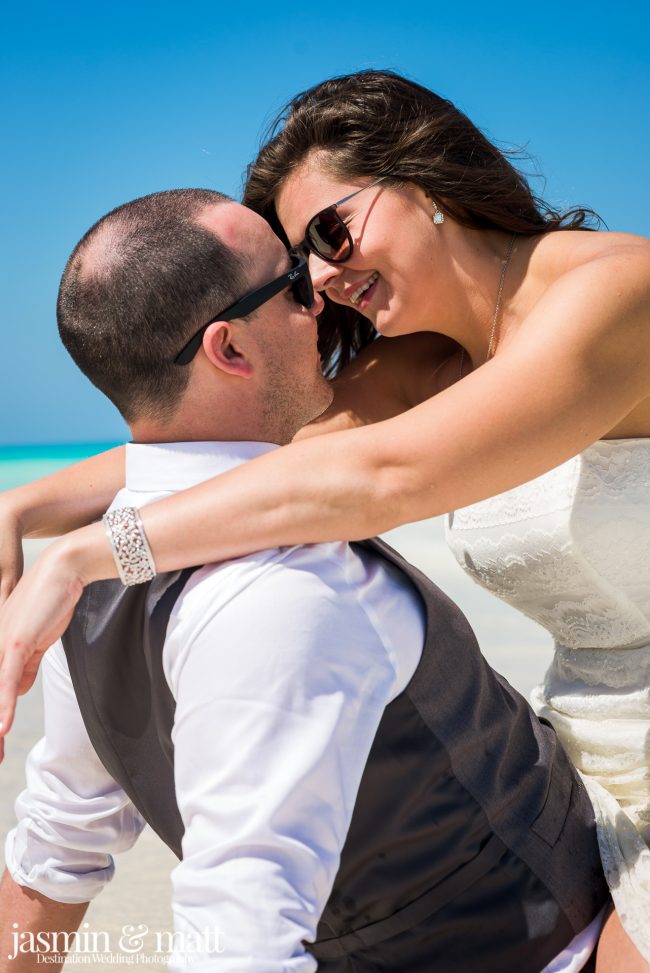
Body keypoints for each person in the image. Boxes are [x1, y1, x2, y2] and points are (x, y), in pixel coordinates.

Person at [0, 69, 648, 966]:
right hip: (584, 762)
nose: (327, 277)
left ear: (422, 182)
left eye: (332, 232)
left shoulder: (620, 293)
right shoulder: (430, 362)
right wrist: (23, 503)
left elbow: (379, 475)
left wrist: (84, 559)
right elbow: (239, 444)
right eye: (303, 262)